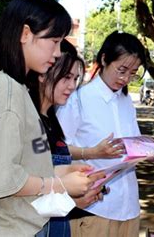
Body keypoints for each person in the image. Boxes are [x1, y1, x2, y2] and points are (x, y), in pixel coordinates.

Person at [0, 0, 96, 236]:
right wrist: (58, 184)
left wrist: (62, 172)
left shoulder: (16, 89)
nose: (58, 53)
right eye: (53, 41)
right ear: (25, 34)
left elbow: (20, 164)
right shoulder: (7, 92)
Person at [57, 31, 147, 237]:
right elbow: (57, 152)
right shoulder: (78, 99)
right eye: (122, 70)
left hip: (129, 206)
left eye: (133, 73)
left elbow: (135, 143)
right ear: (104, 59)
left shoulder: (125, 101)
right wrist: (92, 152)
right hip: (94, 208)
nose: (126, 79)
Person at [27, 40, 107, 237]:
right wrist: (70, 199)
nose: (72, 86)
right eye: (66, 77)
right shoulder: (26, 119)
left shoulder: (51, 119)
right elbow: (20, 191)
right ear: (43, 73)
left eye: (75, 79)